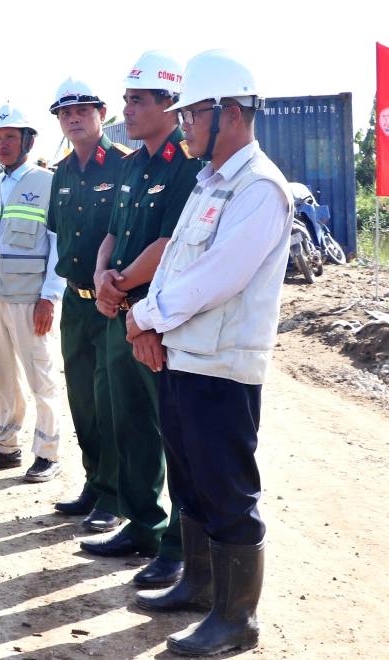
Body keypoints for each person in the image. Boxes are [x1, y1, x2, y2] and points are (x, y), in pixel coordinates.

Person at [130, 50, 290, 656]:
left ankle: (236, 619)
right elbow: (175, 262)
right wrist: (147, 325)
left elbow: (215, 277)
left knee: (227, 492)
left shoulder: (260, 189)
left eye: (193, 113)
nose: (185, 123)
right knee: (190, 483)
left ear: (229, 113)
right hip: (184, 358)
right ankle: (197, 587)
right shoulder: (208, 183)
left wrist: (143, 315)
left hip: (223, 369)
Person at [81, 51, 201, 590]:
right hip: (121, 310)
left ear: (168, 103)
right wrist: (104, 276)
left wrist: (120, 282)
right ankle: (143, 525)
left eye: (136, 99)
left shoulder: (188, 165)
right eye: (126, 98)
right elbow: (113, 231)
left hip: (161, 318)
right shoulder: (131, 163)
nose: (125, 109)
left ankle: (178, 546)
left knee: (172, 431)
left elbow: (170, 243)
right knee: (126, 423)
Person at [0, 103, 64, 483]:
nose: (3, 144)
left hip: (29, 298)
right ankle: (6, 446)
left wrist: (49, 297)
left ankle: (48, 452)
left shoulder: (46, 182)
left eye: (10, 137)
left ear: (28, 140)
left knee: (41, 375)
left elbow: (57, 244)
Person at [45, 78, 130, 533]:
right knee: (81, 400)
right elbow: (60, 233)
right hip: (74, 304)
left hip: (111, 304)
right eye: (65, 113)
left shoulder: (123, 166)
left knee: (110, 400)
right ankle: (94, 483)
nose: (73, 118)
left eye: (82, 110)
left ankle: (116, 496)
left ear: (101, 113)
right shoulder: (61, 172)